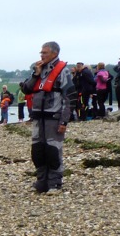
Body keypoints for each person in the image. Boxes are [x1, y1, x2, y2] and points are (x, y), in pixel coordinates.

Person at [19, 41, 77, 194]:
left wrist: (64, 121)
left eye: (45, 53)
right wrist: (35, 74)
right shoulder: (39, 70)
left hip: (54, 117)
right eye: (41, 53)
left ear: (54, 53)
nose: (42, 55)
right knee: (37, 151)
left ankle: (55, 183)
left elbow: (69, 97)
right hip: (38, 118)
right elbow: (26, 89)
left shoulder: (63, 71)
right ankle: (42, 181)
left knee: (53, 150)